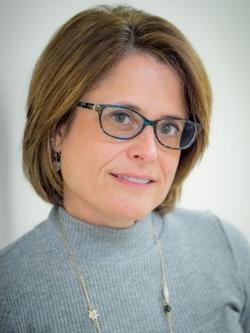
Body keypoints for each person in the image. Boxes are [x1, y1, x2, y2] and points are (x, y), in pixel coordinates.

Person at [0, 4, 249, 333]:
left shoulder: (224, 246)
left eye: (168, 127)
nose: (148, 152)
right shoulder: (9, 294)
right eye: (120, 117)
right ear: (57, 128)